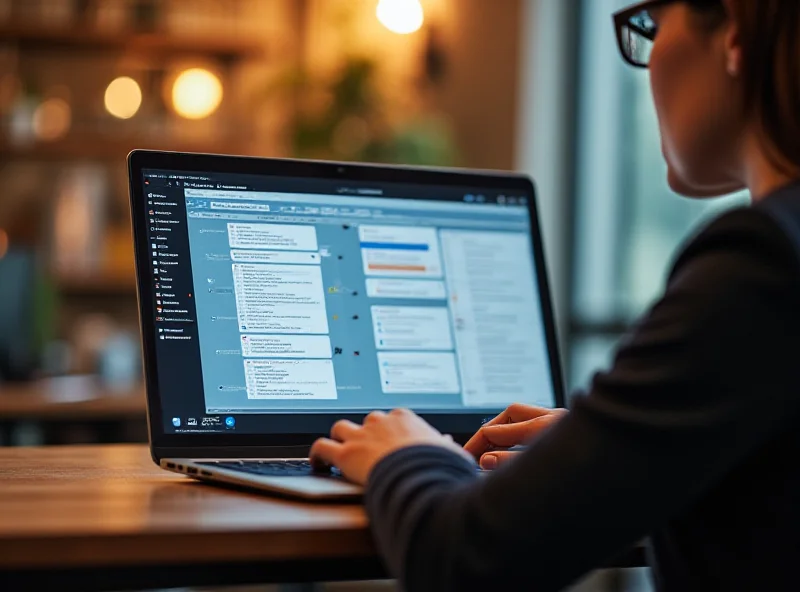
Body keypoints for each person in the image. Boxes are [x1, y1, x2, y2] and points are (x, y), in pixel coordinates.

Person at [310, 0, 800, 589]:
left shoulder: (761, 264)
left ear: (735, 34)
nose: (645, 67)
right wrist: (611, 455)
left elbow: (465, 561)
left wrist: (404, 454)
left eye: (650, 25)